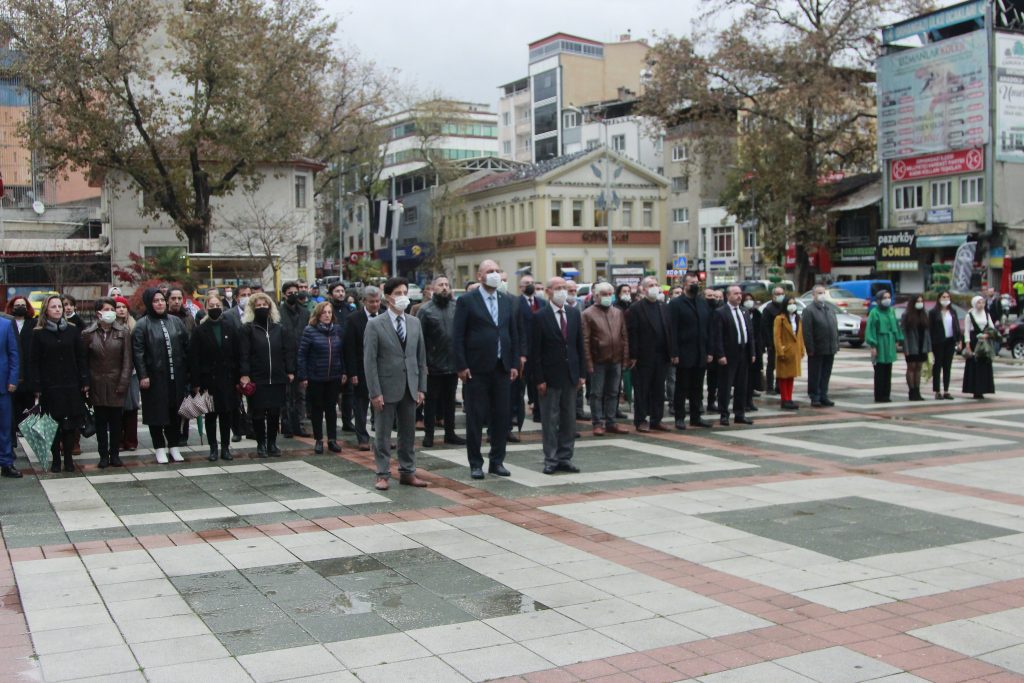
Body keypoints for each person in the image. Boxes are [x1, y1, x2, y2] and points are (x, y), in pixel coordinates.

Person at [452, 260, 520, 480]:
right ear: (480, 275)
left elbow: (512, 333)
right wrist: (461, 365)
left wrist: (513, 364)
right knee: (475, 417)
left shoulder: (507, 300)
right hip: (476, 369)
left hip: (501, 368)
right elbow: (458, 335)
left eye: (497, 271)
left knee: (501, 417)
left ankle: (497, 461)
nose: (494, 274)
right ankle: (475, 463)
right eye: (489, 271)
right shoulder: (467, 301)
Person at [364, 277, 428, 490]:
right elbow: (370, 361)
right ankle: (382, 474)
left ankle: (408, 471)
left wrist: (421, 387)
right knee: (382, 434)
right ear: (388, 296)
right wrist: (374, 392)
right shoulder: (375, 324)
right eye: (398, 293)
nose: (403, 297)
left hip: (410, 386)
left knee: (408, 433)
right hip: (385, 387)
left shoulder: (414, 322)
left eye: (405, 292)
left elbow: (421, 358)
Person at [531, 277, 585, 474]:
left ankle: (565, 457)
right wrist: (539, 379)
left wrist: (582, 373)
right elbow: (535, 352)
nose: (562, 291)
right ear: (548, 292)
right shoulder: (539, 317)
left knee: (569, 420)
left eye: (564, 288)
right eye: (558, 288)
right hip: (549, 377)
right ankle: (551, 459)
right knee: (550, 420)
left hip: (571, 375)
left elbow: (579, 345)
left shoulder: (573, 314)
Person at [133, 288, 190, 463]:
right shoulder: (142, 324)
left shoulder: (176, 321)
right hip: (154, 379)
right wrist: (143, 375)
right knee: (156, 414)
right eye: (155, 301)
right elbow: (138, 352)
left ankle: (173, 446)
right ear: (149, 303)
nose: (159, 304)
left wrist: (188, 373)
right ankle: (159, 447)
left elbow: (186, 347)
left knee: (175, 412)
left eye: (161, 300)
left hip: (176, 378)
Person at [32, 295, 88, 473]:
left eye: (59, 306)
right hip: (50, 385)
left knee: (70, 424)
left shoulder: (72, 331)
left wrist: (85, 380)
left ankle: (69, 458)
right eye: (53, 307)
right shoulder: (38, 333)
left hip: (71, 384)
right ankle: (56, 458)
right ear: (46, 311)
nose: (57, 309)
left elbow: (81, 357)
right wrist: (37, 386)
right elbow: (34, 361)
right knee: (53, 423)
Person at [239, 293, 295, 456]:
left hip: (277, 377)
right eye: (258, 305)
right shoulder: (248, 329)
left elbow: (287, 351)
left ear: (270, 307)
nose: (262, 308)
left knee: (274, 412)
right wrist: (244, 374)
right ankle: (261, 443)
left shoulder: (279, 328)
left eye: (265, 305)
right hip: (257, 377)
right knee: (257, 412)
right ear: (252, 308)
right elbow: (244, 354)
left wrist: (290, 370)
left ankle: (272, 443)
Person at [189, 294, 240, 461]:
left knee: (226, 415)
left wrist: (239, 377)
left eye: (217, 304)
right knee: (210, 415)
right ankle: (213, 448)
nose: (214, 308)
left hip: (227, 379)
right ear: (206, 308)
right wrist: (195, 382)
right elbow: (194, 359)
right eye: (211, 305)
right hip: (208, 380)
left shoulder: (230, 327)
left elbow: (236, 354)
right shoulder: (199, 331)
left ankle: (225, 448)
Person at [82, 298, 132, 468]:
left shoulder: (123, 332)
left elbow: (127, 360)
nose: (111, 311)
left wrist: (123, 382)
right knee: (101, 422)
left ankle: (115, 454)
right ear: (98, 313)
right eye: (107, 309)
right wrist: (86, 383)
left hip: (117, 382)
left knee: (117, 422)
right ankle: (103, 454)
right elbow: (84, 361)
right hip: (97, 382)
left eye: (113, 308)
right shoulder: (88, 333)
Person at [417, 275, 465, 448]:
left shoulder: (456, 307)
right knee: (431, 401)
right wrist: (423, 364)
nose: (444, 287)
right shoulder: (426, 310)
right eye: (440, 285)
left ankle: (450, 433)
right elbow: (420, 339)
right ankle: (429, 435)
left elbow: (461, 334)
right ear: (433, 288)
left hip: (452, 364)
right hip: (433, 364)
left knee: (450, 401)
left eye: (447, 284)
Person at [627, 276, 676, 433]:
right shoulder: (635, 308)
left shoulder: (663, 307)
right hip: (643, 357)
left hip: (662, 355)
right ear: (643, 289)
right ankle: (640, 420)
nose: (654, 287)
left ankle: (657, 419)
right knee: (642, 390)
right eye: (650, 285)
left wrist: (673, 352)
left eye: (656, 284)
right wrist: (633, 356)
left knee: (658, 389)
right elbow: (632, 334)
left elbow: (670, 331)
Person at [582, 282, 631, 436]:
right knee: (596, 393)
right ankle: (597, 423)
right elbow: (585, 341)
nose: (607, 297)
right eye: (604, 294)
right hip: (598, 361)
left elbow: (624, 337)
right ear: (596, 296)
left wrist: (625, 359)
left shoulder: (617, 312)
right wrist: (588, 362)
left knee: (613, 392)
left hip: (615, 359)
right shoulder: (587, 314)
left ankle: (611, 421)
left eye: (610, 294)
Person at [298, 302, 346, 455]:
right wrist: (303, 375)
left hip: (334, 375)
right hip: (316, 376)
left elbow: (342, 353)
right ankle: (319, 439)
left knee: (331, 408)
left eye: (329, 312)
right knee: (317, 408)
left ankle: (332, 439)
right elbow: (302, 355)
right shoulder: (310, 331)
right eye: (324, 312)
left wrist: (343, 371)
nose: (327, 315)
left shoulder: (337, 330)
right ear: (318, 315)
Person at [669, 274, 713, 430]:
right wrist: (674, 353)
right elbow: (672, 330)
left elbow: (708, 328)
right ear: (685, 285)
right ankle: (679, 417)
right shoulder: (676, 304)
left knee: (697, 387)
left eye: (697, 282)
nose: (695, 285)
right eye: (692, 283)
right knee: (682, 387)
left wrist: (709, 351)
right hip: (683, 352)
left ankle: (696, 417)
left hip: (700, 351)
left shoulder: (702, 302)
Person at [711, 284, 755, 426]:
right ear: (728, 296)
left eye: (740, 293)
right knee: (725, 385)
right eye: (735, 293)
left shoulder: (744, 311)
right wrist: (720, 354)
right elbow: (717, 336)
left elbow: (750, 333)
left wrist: (752, 352)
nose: (739, 296)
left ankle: (739, 413)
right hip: (729, 354)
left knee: (742, 385)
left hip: (743, 352)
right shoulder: (721, 312)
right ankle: (724, 414)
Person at [344, 286, 381, 452]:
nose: (375, 305)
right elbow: (349, 348)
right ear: (364, 302)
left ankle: (382, 436)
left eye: (377, 301)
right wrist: (352, 372)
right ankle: (362, 438)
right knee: (360, 405)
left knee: (381, 405)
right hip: (361, 369)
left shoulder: (385, 316)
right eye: (371, 302)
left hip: (382, 368)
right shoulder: (354, 319)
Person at [278, 281, 310, 438]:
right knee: (285, 395)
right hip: (283, 359)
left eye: (296, 292)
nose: (294, 295)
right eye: (290, 293)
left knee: (300, 395)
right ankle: (286, 424)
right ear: (284, 294)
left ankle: (300, 424)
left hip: (301, 358)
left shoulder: (305, 312)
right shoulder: (278, 312)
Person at [802, 284, 839, 408]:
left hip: (829, 348)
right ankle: (815, 396)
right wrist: (810, 348)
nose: (821, 295)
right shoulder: (809, 310)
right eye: (819, 293)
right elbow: (807, 331)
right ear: (813, 295)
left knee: (826, 373)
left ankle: (824, 395)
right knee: (815, 374)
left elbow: (834, 328)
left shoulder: (829, 309)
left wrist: (836, 344)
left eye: (823, 292)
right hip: (817, 349)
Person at [515, 274, 544, 431]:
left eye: (532, 282)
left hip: (539, 351)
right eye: (527, 283)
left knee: (539, 382)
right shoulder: (516, 303)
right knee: (521, 386)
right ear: (520, 287)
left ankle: (539, 412)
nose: (530, 285)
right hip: (524, 352)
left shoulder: (542, 302)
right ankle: (517, 418)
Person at [865, 290, 903, 403]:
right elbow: (871, 328)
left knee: (888, 369)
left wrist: (897, 338)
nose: (887, 299)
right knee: (880, 370)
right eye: (884, 297)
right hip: (880, 342)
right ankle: (879, 395)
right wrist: (873, 345)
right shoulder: (874, 312)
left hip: (890, 342)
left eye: (888, 297)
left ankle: (886, 394)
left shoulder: (891, 311)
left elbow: (895, 326)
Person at [113, 296, 141, 452]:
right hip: (114, 373)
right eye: (117, 307)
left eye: (124, 307)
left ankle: (131, 440)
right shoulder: (110, 327)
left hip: (133, 373)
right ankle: (118, 440)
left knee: (131, 407)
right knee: (117, 408)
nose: (121, 310)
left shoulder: (134, 326)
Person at [5, 297, 35, 437]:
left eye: (23, 305)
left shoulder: (33, 324)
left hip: (29, 371)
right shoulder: (7, 324)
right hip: (12, 373)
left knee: (28, 407)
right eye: (17, 305)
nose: (20, 307)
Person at [929, 292, 962, 400]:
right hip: (938, 342)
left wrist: (959, 340)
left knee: (947, 366)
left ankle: (946, 390)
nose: (946, 299)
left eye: (947, 297)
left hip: (950, 341)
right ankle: (937, 390)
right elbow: (930, 329)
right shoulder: (934, 312)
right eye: (943, 297)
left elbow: (956, 326)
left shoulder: (952, 312)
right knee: (937, 366)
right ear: (939, 299)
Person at [773, 297, 805, 410]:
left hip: (794, 352)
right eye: (789, 303)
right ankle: (784, 399)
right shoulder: (780, 319)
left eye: (794, 303)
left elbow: (800, 336)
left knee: (791, 376)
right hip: (785, 351)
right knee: (783, 377)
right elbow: (777, 337)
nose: (792, 305)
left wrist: (801, 349)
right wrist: (780, 351)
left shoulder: (797, 318)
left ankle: (789, 398)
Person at [963, 295, 996, 399]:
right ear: (974, 303)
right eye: (979, 302)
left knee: (984, 365)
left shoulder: (987, 314)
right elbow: (967, 331)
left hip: (985, 342)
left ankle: (984, 388)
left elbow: (992, 328)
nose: (981, 305)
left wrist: (987, 335)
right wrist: (967, 345)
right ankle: (975, 390)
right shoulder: (969, 315)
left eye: (983, 302)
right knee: (974, 365)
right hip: (974, 342)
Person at [0, 312, 20, 478]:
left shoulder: (5, 325)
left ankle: (6, 463)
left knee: (5, 427)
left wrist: (13, 379)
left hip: (3, 386)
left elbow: (13, 353)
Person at [901, 295, 932, 402]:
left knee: (918, 367)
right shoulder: (907, 315)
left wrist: (928, 347)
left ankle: (917, 391)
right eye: (918, 301)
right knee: (911, 367)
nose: (920, 303)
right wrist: (905, 348)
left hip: (922, 345)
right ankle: (912, 391)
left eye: (921, 301)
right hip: (911, 345)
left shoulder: (925, 314)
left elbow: (928, 332)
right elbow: (903, 332)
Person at [761, 286, 787, 395]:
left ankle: (779, 386)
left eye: (781, 293)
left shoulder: (784, 308)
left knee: (782, 365)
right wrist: (768, 343)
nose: (780, 296)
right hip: (772, 341)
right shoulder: (768, 309)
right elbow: (765, 327)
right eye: (777, 294)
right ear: (773, 295)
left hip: (784, 341)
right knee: (771, 365)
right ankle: (769, 387)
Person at [742, 292, 763, 413]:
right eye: (747, 299)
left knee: (753, 377)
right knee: (743, 378)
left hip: (755, 349)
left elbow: (760, 331)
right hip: (744, 349)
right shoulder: (741, 312)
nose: (749, 301)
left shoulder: (757, 314)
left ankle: (749, 401)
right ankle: (743, 402)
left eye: (751, 299)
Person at [704, 287, 722, 412]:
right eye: (709, 296)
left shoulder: (718, 310)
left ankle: (712, 401)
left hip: (714, 349)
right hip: (702, 348)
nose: (713, 299)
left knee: (713, 379)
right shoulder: (702, 309)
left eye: (715, 296)